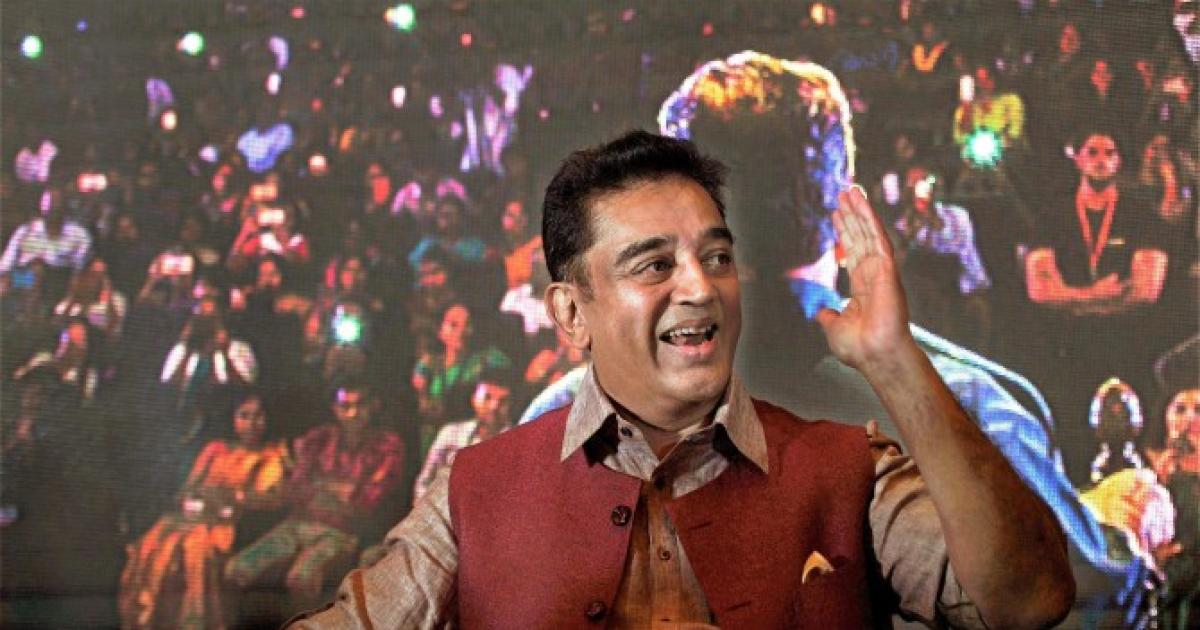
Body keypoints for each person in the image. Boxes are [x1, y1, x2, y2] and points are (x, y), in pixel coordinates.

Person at [290, 131, 1072, 627]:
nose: (701, 288)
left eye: (717, 256)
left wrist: (895, 362)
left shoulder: (850, 470)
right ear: (571, 313)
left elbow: (1030, 601)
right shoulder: (476, 493)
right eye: (654, 264)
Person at [224, 384, 404, 607]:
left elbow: (367, 501)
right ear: (335, 408)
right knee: (236, 570)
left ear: (373, 406)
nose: (353, 413)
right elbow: (296, 488)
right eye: (345, 406)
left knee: (301, 578)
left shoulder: (387, 444)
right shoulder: (320, 438)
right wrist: (342, 489)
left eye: (360, 405)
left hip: (342, 532)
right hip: (297, 525)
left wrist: (322, 487)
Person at [118, 395, 287, 629]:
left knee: (195, 550)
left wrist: (229, 498)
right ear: (233, 419)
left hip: (226, 524)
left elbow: (266, 499)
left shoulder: (270, 455)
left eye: (258, 416)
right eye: (244, 416)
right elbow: (189, 488)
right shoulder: (215, 449)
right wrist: (198, 499)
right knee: (152, 545)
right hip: (192, 516)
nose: (251, 423)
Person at [411, 373, 513, 505]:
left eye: (503, 401)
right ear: (474, 399)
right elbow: (424, 482)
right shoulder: (450, 433)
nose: (494, 406)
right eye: (487, 398)